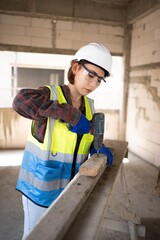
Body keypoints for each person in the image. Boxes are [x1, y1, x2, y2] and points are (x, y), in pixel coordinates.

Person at [12, 42, 113, 239]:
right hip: (40, 189)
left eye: (99, 80)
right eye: (91, 75)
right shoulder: (49, 95)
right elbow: (20, 101)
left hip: (70, 188)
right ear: (75, 68)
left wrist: (95, 145)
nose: (93, 84)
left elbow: (84, 135)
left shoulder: (89, 105)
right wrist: (71, 115)